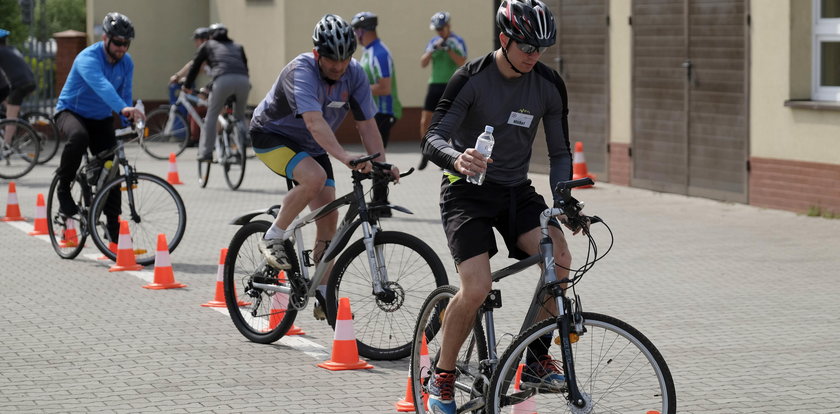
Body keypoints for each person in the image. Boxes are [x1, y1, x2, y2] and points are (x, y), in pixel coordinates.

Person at [419, 1, 580, 412]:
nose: (534, 54)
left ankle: (536, 359)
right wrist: (455, 158)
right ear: (504, 38)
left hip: (515, 191)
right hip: (465, 191)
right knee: (476, 287)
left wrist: (562, 197)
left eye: (541, 47)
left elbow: (560, 150)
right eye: (526, 45)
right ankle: (443, 373)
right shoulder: (470, 78)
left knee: (559, 258)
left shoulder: (548, 83)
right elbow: (432, 137)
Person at [249, 14, 399, 320]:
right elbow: (314, 122)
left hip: (314, 145)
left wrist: (381, 164)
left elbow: (367, 125)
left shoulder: (354, 74)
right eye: (332, 60)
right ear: (318, 53)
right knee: (314, 177)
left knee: (329, 221)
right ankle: (273, 235)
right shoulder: (300, 71)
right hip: (272, 135)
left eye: (345, 59)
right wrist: (345, 158)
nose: (339, 66)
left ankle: (321, 290)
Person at [54, 12, 145, 244]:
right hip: (71, 112)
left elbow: (125, 94)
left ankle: (114, 230)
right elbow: (103, 87)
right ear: (105, 38)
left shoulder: (128, 63)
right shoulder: (88, 58)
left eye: (126, 43)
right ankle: (63, 189)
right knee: (79, 137)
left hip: (100, 118)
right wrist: (123, 108)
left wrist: (130, 120)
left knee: (112, 167)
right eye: (117, 42)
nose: (122, 48)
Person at [351, 11, 402, 217]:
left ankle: (381, 204)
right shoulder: (369, 51)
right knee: (377, 157)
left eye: (356, 31)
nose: (355, 35)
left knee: (378, 157)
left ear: (362, 31)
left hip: (384, 111)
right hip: (374, 112)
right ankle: (380, 202)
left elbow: (384, 87)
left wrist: (358, 90)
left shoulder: (379, 53)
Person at [183, 23, 250, 162]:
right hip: (244, 81)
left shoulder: (208, 45)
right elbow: (244, 66)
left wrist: (187, 85)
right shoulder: (238, 47)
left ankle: (206, 153)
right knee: (239, 116)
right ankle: (243, 140)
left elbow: (195, 66)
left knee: (212, 116)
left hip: (222, 81)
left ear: (210, 36)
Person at [417, 11, 467, 170]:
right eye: (437, 29)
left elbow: (462, 61)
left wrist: (448, 49)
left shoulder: (457, 41)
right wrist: (433, 49)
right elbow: (423, 63)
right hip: (434, 84)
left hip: (451, 84)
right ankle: (425, 151)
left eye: (441, 29)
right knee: (425, 120)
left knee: (450, 120)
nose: (439, 32)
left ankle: (445, 153)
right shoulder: (433, 41)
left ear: (448, 26)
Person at [170, 27, 211, 147]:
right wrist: (184, 79)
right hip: (220, 84)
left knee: (200, 109)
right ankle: (195, 137)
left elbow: (193, 65)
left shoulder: (207, 51)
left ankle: (200, 139)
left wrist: (177, 76)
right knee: (197, 108)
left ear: (203, 40)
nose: (195, 43)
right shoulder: (211, 51)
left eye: (196, 40)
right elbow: (196, 69)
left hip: (220, 85)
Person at [0, 28, 37, 144]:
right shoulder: (11, 49)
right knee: (8, 104)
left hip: (20, 84)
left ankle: (6, 146)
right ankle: (24, 126)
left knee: (10, 118)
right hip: (29, 81)